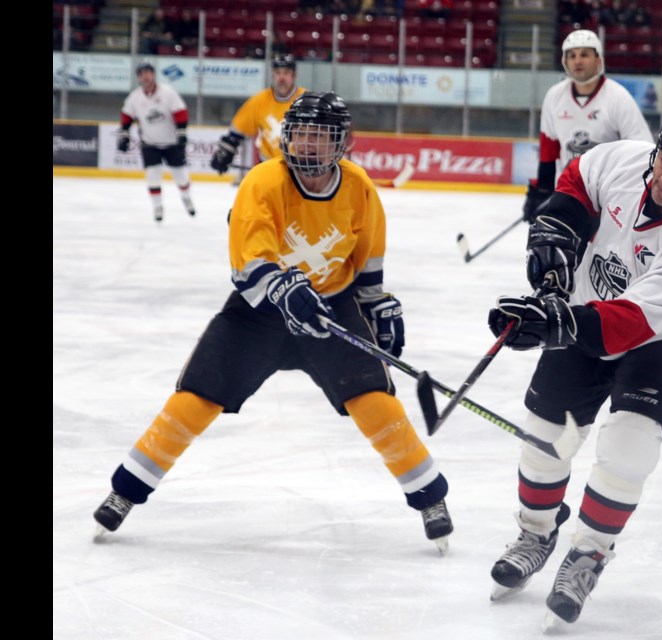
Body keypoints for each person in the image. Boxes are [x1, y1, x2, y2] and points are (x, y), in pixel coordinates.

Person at [94, 92, 455, 553]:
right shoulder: (264, 181)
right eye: (300, 134)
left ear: (342, 144)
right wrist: (284, 290)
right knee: (197, 396)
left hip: (332, 308)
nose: (307, 145)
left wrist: (376, 303)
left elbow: (368, 259)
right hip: (258, 314)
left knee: (374, 402)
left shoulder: (360, 187)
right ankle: (125, 490)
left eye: (319, 137)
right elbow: (249, 259)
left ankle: (430, 499)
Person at [486, 104, 662, 626]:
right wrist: (553, 251)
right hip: (585, 309)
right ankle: (536, 531)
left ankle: (589, 553)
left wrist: (555, 325)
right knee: (544, 436)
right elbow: (575, 183)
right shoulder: (623, 160)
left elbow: (636, 320)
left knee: (628, 447)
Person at [522, 29, 653, 225]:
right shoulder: (554, 96)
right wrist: (542, 191)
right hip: (570, 190)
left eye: (584, 54)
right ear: (564, 62)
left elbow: (644, 150)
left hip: (610, 194)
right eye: (572, 55)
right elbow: (549, 149)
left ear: (598, 60)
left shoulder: (618, 97)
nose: (578, 61)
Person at [117, 61, 195, 222]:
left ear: (153, 74)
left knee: (180, 176)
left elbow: (180, 112)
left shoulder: (168, 93)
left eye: (148, 72)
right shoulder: (135, 97)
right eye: (142, 73)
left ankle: (186, 198)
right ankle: (157, 207)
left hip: (172, 143)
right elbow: (126, 116)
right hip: (149, 143)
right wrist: (124, 134)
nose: (145, 76)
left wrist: (181, 132)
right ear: (138, 77)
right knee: (153, 175)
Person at [209, 54, 307, 178]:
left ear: (294, 76)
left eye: (286, 73)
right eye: (278, 73)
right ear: (273, 75)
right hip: (267, 168)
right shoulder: (260, 100)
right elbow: (238, 130)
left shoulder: (306, 100)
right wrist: (225, 151)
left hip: (299, 169)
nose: (281, 77)